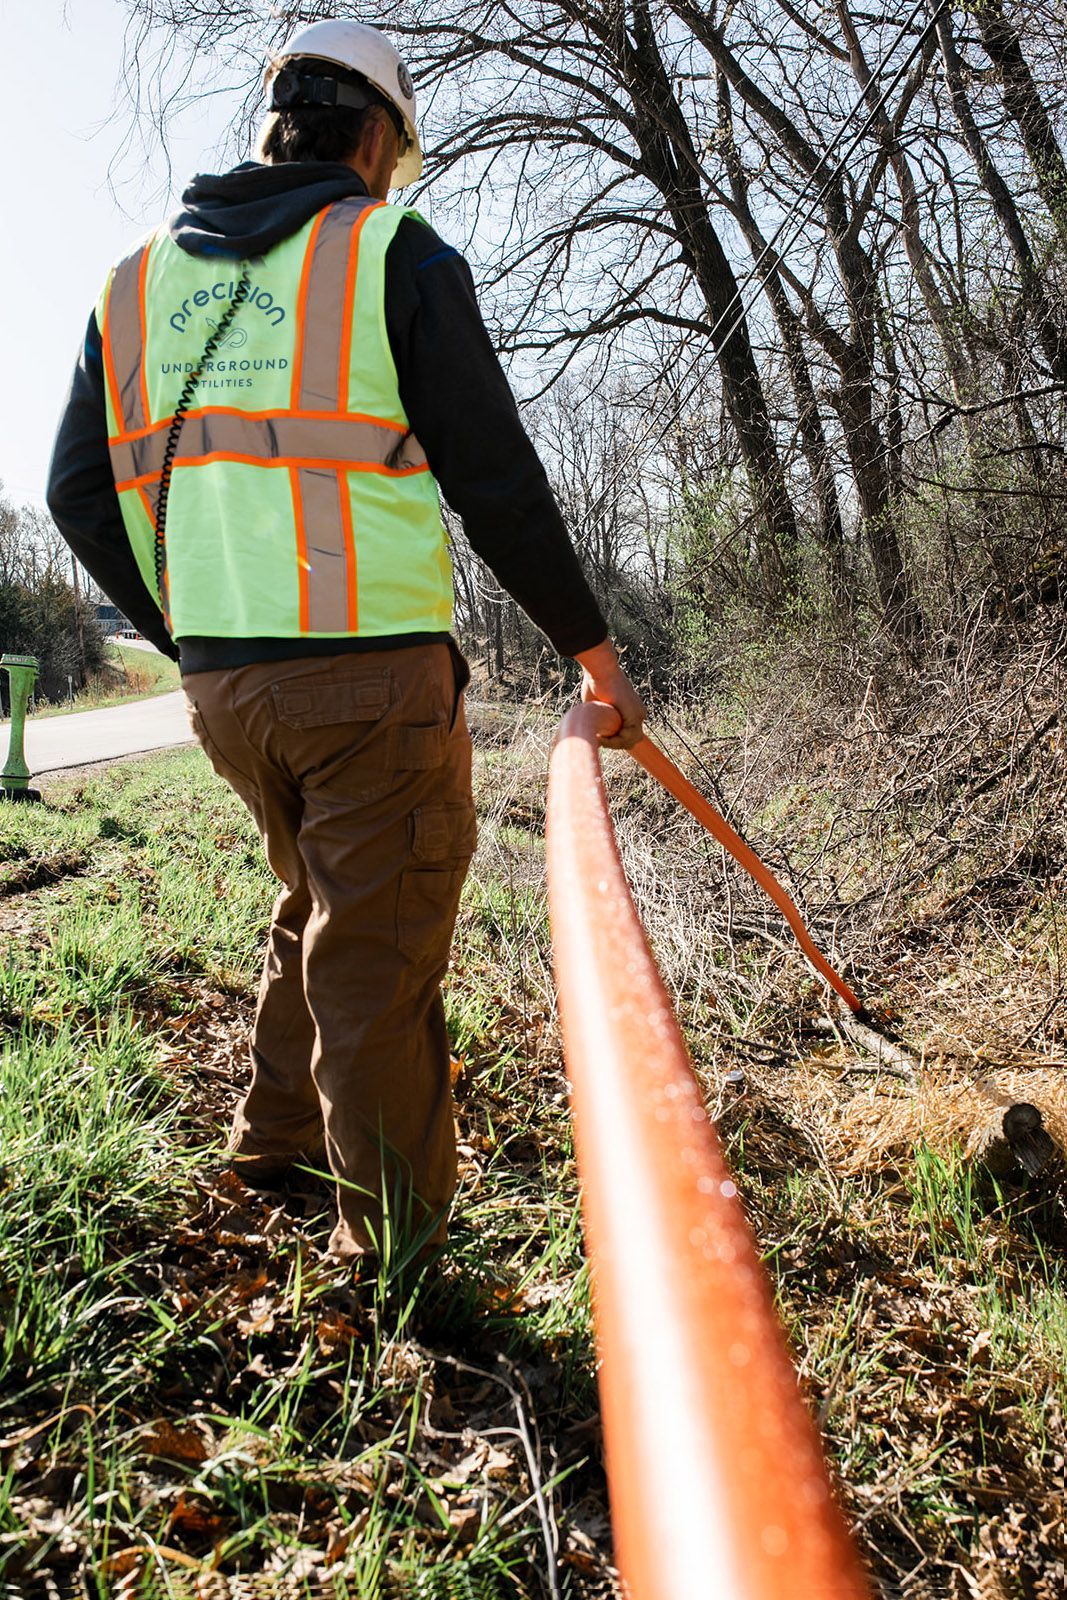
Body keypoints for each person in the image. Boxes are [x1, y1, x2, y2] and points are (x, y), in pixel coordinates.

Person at [47, 18, 646, 1265]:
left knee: (315, 899)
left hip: (224, 688)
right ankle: (403, 1257)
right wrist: (592, 650)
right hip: (370, 681)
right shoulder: (389, 248)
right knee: (373, 950)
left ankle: (274, 1142)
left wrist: (185, 629)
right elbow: (494, 476)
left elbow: (74, 492)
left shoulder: (131, 282)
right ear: (375, 138)